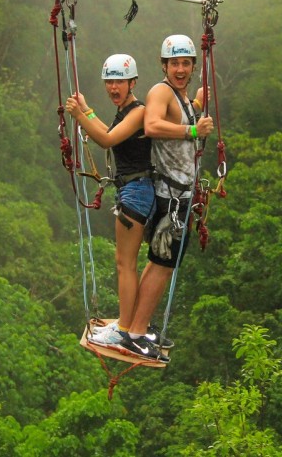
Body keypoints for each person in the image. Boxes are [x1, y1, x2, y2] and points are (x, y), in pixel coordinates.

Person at [114, 34, 214, 362]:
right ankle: (136, 332)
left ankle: (137, 326)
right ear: (164, 65)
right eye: (175, 63)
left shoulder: (182, 98)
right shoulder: (161, 91)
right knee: (162, 264)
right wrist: (194, 131)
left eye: (186, 63)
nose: (181, 69)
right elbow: (154, 124)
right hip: (169, 196)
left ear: (193, 66)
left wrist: (198, 104)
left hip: (180, 195)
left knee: (162, 265)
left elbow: (180, 116)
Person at [65, 54, 156, 351]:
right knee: (125, 263)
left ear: (132, 83)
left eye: (119, 81)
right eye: (110, 82)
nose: (113, 87)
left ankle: (125, 330)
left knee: (125, 264)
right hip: (134, 191)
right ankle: (126, 325)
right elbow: (109, 133)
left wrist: (80, 115)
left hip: (136, 192)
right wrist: (88, 110)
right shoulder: (127, 111)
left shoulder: (139, 111)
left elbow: (107, 139)